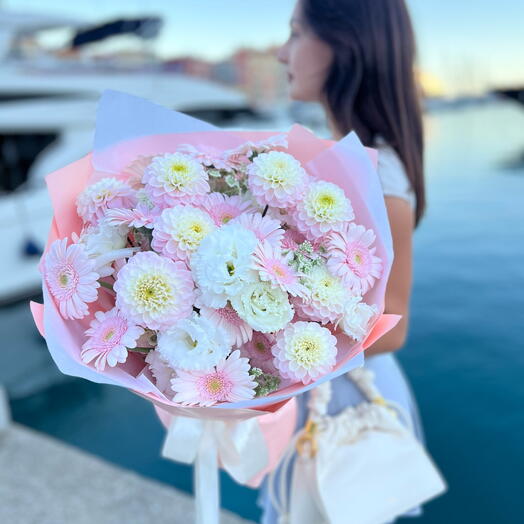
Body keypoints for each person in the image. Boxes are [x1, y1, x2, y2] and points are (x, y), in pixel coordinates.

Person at [259, 0, 428, 521]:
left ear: (342, 46)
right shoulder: (344, 158)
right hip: (321, 389)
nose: (281, 51)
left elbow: (393, 328)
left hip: (348, 403)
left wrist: (263, 315)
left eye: (294, 34)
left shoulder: (378, 173)